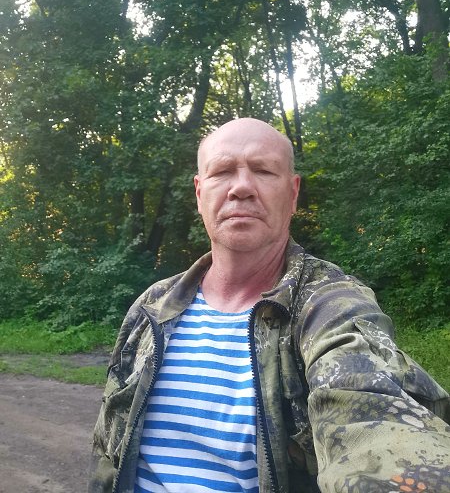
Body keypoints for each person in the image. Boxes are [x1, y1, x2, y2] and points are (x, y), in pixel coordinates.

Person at [88, 118, 450, 493]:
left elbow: (374, 419)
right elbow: (107, 451)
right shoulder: (151, 307)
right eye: (222, 172)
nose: (241, 187)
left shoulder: (329, 306)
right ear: (199, 193)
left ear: (292, 194)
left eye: (263, 170)